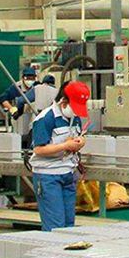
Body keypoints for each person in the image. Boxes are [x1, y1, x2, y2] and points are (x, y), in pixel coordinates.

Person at [29, 81, 90, 231]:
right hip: (48, 176)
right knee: (55, 227)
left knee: (69, 226)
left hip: (68, 173)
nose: (76, 112)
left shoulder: (74, 117)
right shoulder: (45, 118)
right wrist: (65, 146)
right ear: (63, 102)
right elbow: (39, 149)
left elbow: (77, 134)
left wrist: (81, 141)